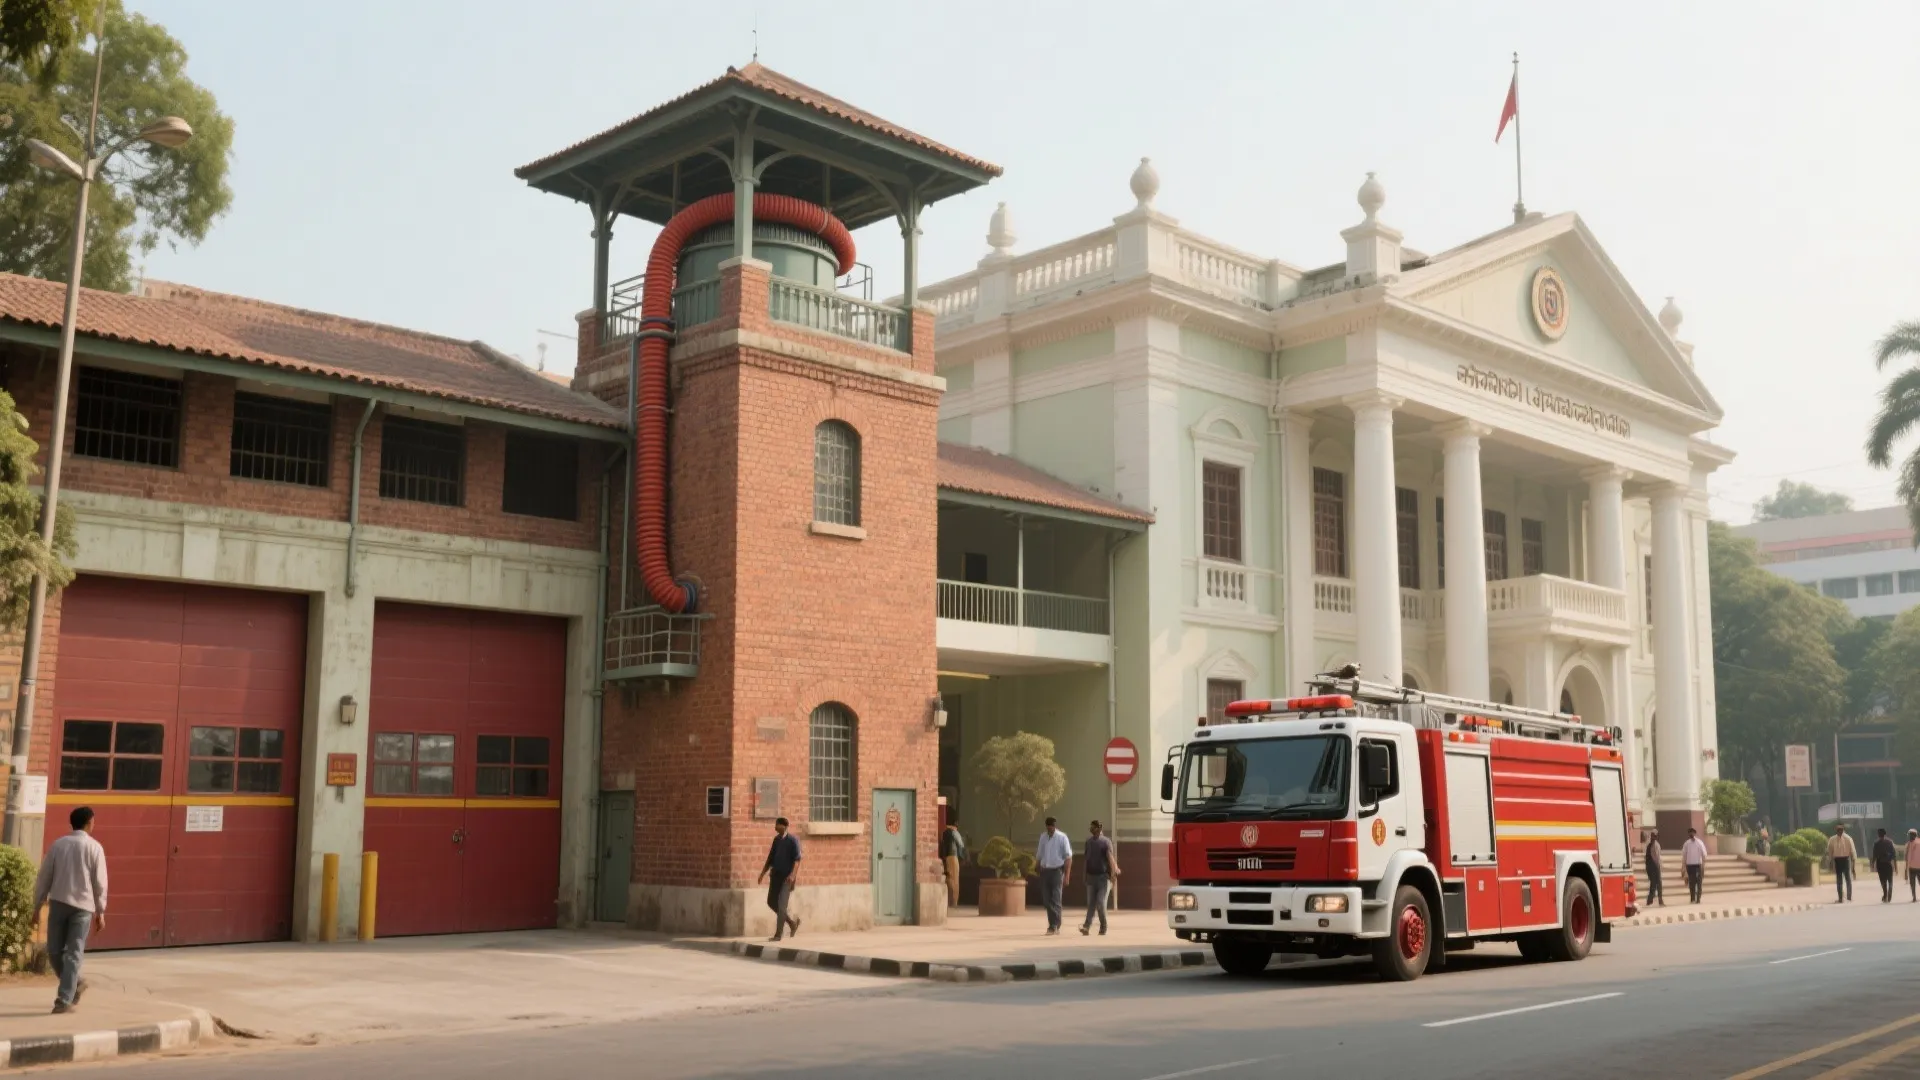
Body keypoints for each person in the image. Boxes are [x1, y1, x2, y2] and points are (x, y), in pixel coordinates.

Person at [31, 805, 107, 1015]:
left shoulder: (63, 846)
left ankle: (64, 999)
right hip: (70, 905)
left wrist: (100, 910)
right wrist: (37, 906)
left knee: (68, 952)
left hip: (74, 907)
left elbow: (44, 877)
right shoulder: (84, 847)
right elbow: (100, 883)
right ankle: (76, 983)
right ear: (89, 822)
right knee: (56, 952)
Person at [755, 817, 802, 941]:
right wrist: (762, 874)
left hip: (787, 879)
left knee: (782, 906)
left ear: (784, 826)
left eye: (777, 825)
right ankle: (792, 923)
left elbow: (797, 860)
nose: (775, 827)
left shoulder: (793, 841)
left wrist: (792, 875)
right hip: (775, 876)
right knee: (771, 902)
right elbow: (770, 858)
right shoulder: (776, 840)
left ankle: (778, 934)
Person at [1078, 820, 1122, 936]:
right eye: (1091, 826)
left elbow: (1111, 859)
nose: (1092, 829)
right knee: (1091, 904)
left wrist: (1113, 876)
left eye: (1094, 827)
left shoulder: (1105, 842)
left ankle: (1103, 926)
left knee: (1101, 903)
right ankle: (1086, 926)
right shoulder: (1088, 842)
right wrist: (1084, 875)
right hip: (1091, 878)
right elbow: (1086, 860)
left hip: (1103, 878)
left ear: (1099, 828)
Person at [1035, 816, 1072, 935]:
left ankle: (1053, 925)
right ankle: (1055, 922)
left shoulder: (1062, 837)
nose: (1051, 828)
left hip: (1057, 872)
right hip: (1045, 871)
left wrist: (1067, 876)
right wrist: (1036, 867)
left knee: (1056, 899)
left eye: (1052, 826)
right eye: (1049, 826)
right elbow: (1039, 855)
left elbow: (1068, 857)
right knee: (1046, 900)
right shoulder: (1043, 837)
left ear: (1055, 826)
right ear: (1046, 826)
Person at [1827, 822, 1856, 903]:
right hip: (1837, 860)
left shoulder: (1848, 838)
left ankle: (1849, 897)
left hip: (1846, 859)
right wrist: (1830, 862)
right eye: (1838, 830)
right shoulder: (1832, 839)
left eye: (1841, 829)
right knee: (1839, 880)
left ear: (1843, 830)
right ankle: (1840, 898)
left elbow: (1853, 852)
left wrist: (1853, 865)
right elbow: (1830, 852)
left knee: (1848, 879)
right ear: (1836, 830)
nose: (1839, 831)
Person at [940, 823, 967, 909]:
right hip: (953, 856)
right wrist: (964, 857)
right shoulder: (954, 832)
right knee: (955, 879)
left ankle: (949, 900)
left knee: (949, 878)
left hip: (947, 857)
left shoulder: (944, 833)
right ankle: (954, 901)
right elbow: (961, 845)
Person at [1681, 828, 1709, 904]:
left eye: (1692, 833)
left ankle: (1698, 899)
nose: (1691, 834)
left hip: (1697, 865)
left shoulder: (1699, 843)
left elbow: (1704, 855)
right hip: (1689, 866)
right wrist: (1683, 868)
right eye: (1689, 833)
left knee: (1699, 883)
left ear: (1694, 833)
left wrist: (1703, 866)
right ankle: (1692, 898)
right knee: (1691, 883)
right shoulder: (1686, 844)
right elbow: (1684, 856)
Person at [1873, 828, 1898, 904]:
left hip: (1880, 864)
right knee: (1890, 880)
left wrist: (1872, 864)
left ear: (1878, 834)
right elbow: (1894, 854)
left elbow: (1874, 855)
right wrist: (1896, 866)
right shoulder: (1890, 842)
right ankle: (1889, 893)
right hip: (1888, 863)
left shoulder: (1876, 843)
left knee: (1883, 880)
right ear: (1885, 834)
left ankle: (1885, 894)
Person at [1644, 832, 1664, 906]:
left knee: (1657, 883)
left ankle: (1658, 900)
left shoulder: (1656, 845)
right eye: (1652, 836)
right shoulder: (1649, 845)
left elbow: (1658, 857)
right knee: (1654, 883)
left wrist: (1659, 866)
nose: (1653, 837)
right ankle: (1650, 900)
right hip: (1650, 866)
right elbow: (1647, 857)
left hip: (1655, 866)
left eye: (1655, 836)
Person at [1905, 829, 1920, 903]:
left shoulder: (1909, 844)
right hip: (1917, 867)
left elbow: (1908, 856)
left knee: (1912, 883)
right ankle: (1914, 897)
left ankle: (1914, 897)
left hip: (1912, 867)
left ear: (1914, 835)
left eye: (1911, 835)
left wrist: (1906, 869)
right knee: (1913, 883)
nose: (1910, 836)